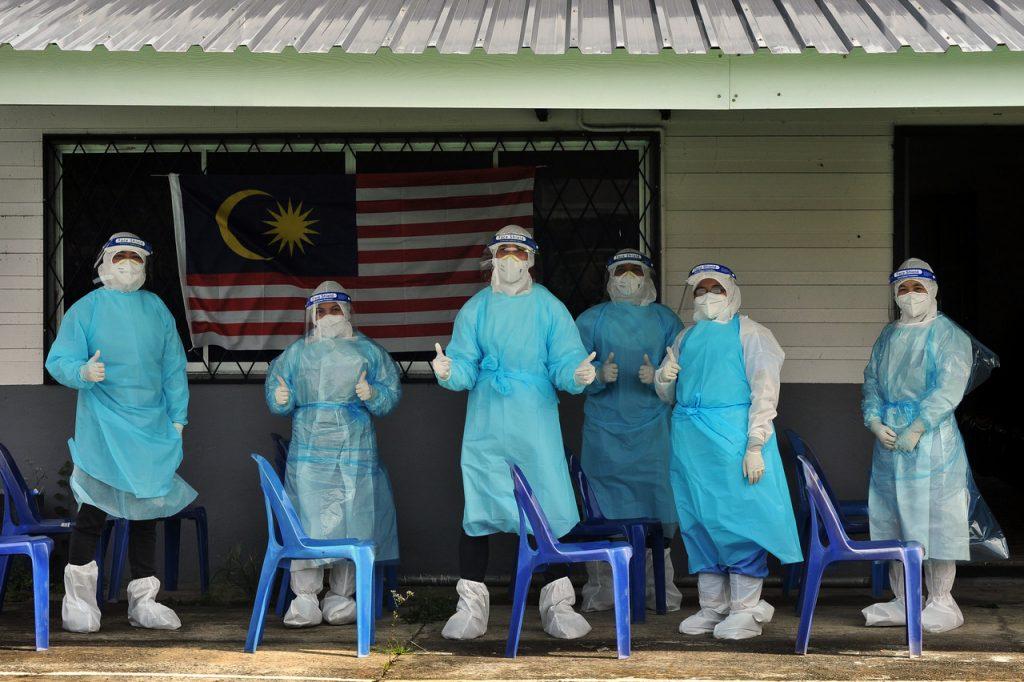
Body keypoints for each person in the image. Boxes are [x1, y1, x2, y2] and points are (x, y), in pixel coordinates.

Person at [432, 225, 598, 641]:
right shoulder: (476, 309)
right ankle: (470, 609)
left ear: (531, 259)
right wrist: (450, 371)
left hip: (534, 421)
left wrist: (576, 374)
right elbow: (465, 365)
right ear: (493, 257)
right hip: (487, 421)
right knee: (479, 509)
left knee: (547, 507)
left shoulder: (549, 307)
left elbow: (564, 360)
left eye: (518, 251)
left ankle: (558, 606)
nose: (510, 258)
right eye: (503, 250)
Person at [45, 232, 192, 633]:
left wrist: (178, 419)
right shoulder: (86, 309)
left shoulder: (156, 309)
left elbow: (173, 367)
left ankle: (145, 603)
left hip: (150, 426)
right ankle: (80, 604)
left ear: (145, 266)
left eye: (136, 257)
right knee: (93, 510)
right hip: (103, 425)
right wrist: (82, 371)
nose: (128, 263)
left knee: (145, 516)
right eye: (121, 255)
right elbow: (59, 359)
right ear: (104, 263)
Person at [655, 263, 801, 640]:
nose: (706, 297)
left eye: (715, 289)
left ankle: (745, 608)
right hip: (691, 445)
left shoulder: (752, 334)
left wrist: (755, 444)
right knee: (699, 520)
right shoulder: (685, 338)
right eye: (700, 290)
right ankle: (713, 607)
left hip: (734, 440)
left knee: (740, 522)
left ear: (731, 292)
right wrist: (663, 380)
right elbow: (669, 395)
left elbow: (764, 391)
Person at [265, 281, 401, 628]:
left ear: (348, 312)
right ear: (311, 316)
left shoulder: (368, 352)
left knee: (353, 521)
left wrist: (373, 394)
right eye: (321, 311)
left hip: (355, 451)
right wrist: (280, 399)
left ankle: (342, 596)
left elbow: (390, 394)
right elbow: (276, 389)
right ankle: (305, 598)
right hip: (309, 452)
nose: (327, 316)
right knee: (306, 521)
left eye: (334, 310)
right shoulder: (297, 353)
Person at [861, 258, 974, 633]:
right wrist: (874, 420)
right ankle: (904, 599)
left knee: (935, 519)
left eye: (918, 288)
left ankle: (941, 602)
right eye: (903, 289)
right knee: (895, 519)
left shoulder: (947, 334)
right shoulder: (888, 335)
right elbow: (872, 381)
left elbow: (949, 387)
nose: (910, 296)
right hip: (890, 442)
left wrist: (919, 426)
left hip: (932, 442)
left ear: (933, 291)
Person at [575, 249, 684, 613]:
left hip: (654, 431)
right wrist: (597, 377)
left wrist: (659, 379)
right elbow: (571, 369)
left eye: (635, 270)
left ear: (648, 276)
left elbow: (684, 370)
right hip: (604, 433)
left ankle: (657, 592)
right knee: (604, 507)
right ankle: (604, 592)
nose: (627, 277)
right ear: (609, 278)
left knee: (657, 505)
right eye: (619, 271)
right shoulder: (592, 320)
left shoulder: (666, 320)